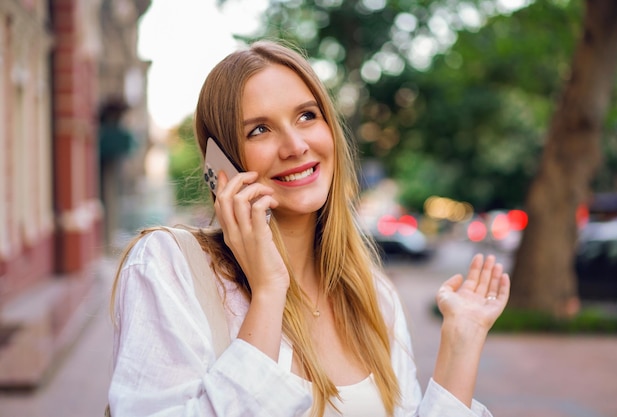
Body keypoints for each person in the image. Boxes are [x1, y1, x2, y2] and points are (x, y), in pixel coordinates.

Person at [107, 40, 510, 417]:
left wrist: (462, 341)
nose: (296, 145)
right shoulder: (170, 266)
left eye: (306, 115)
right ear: (222, 165)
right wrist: (268, 291)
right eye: (259, 129)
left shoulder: (374, 296)